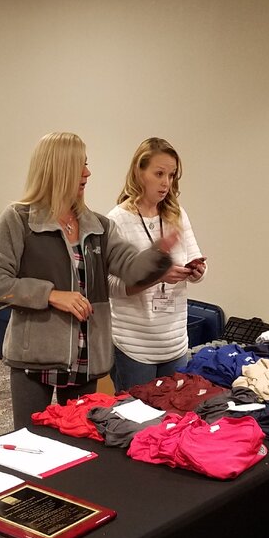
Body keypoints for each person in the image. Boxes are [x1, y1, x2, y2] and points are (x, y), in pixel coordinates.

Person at [0, 132, 177, 430]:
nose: (87, 173)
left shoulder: (99, 226)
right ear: (57, 169)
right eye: (80, 165)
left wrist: (158, 254)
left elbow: (131, 269)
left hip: (87, 361)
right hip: (35, 359)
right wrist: (51, 295)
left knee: (79, 443)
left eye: (87, 164)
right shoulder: (17, 219)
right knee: (30, 441)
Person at [106, 137, 206, 391]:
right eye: (159, 174)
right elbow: (109, 286)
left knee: (174, 412)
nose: (166, 183)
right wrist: (157, 277)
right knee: (136, 413)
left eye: (171, 175)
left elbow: (194, 258)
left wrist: (196, 271)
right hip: (134, 345)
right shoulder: (117, 220)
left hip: (174, 342)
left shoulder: (177, 214)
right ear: (139, 172)